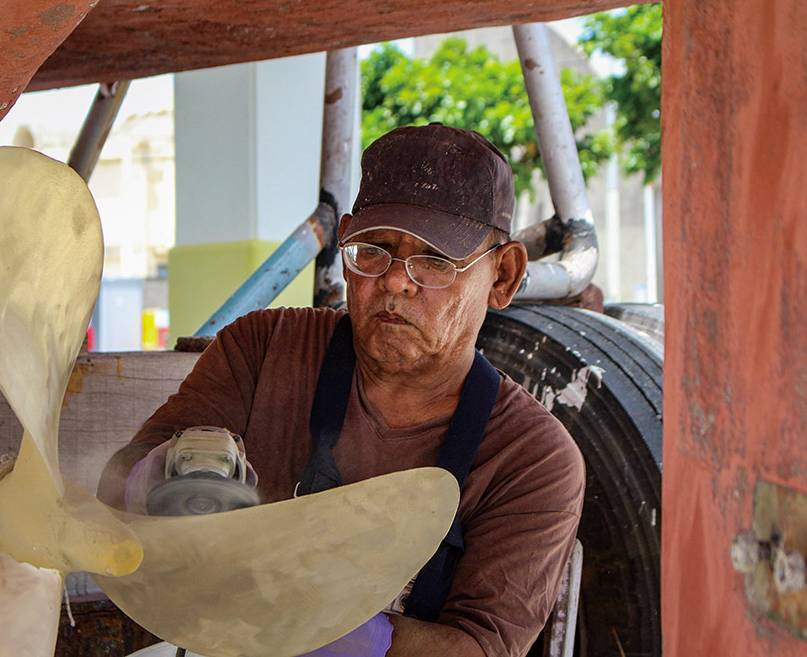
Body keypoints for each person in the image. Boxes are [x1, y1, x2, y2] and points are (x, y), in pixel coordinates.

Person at [98, 124, 585, 656]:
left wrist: (340, 634)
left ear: (503, 276)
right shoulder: (264, 349)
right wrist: (163, 476)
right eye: (374, 250)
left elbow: (478, 648)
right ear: (348, 239)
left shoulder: (534, 459)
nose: (397, 282)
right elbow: (117, 492)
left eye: (435, 261)